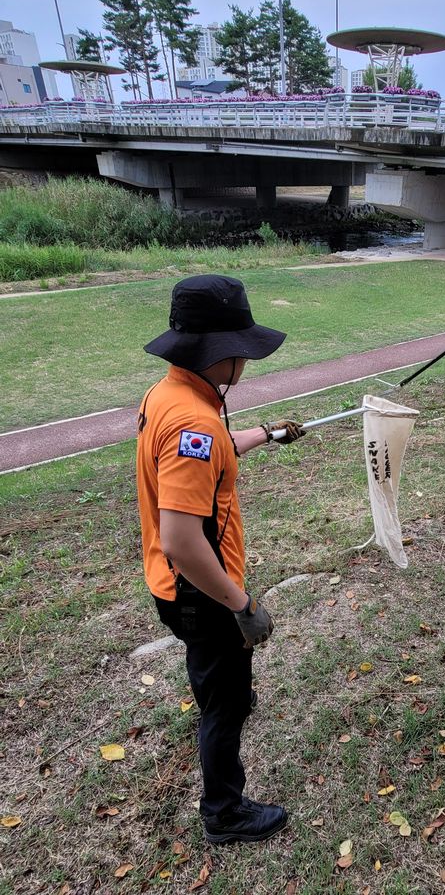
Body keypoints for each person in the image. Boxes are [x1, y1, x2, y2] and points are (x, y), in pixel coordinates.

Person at [136, 274, 305, 844]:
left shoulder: (168, 395)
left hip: (172, 586)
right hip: (202, 592)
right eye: (242, 348)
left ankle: (223, 690)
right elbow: (183, 540)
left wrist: (266, 433)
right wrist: (243, 605)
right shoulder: (196, 423)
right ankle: (225, 813)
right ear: (220, 353)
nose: (246, 360)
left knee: (214, 674)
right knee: (223, 704)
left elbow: (202, 458)